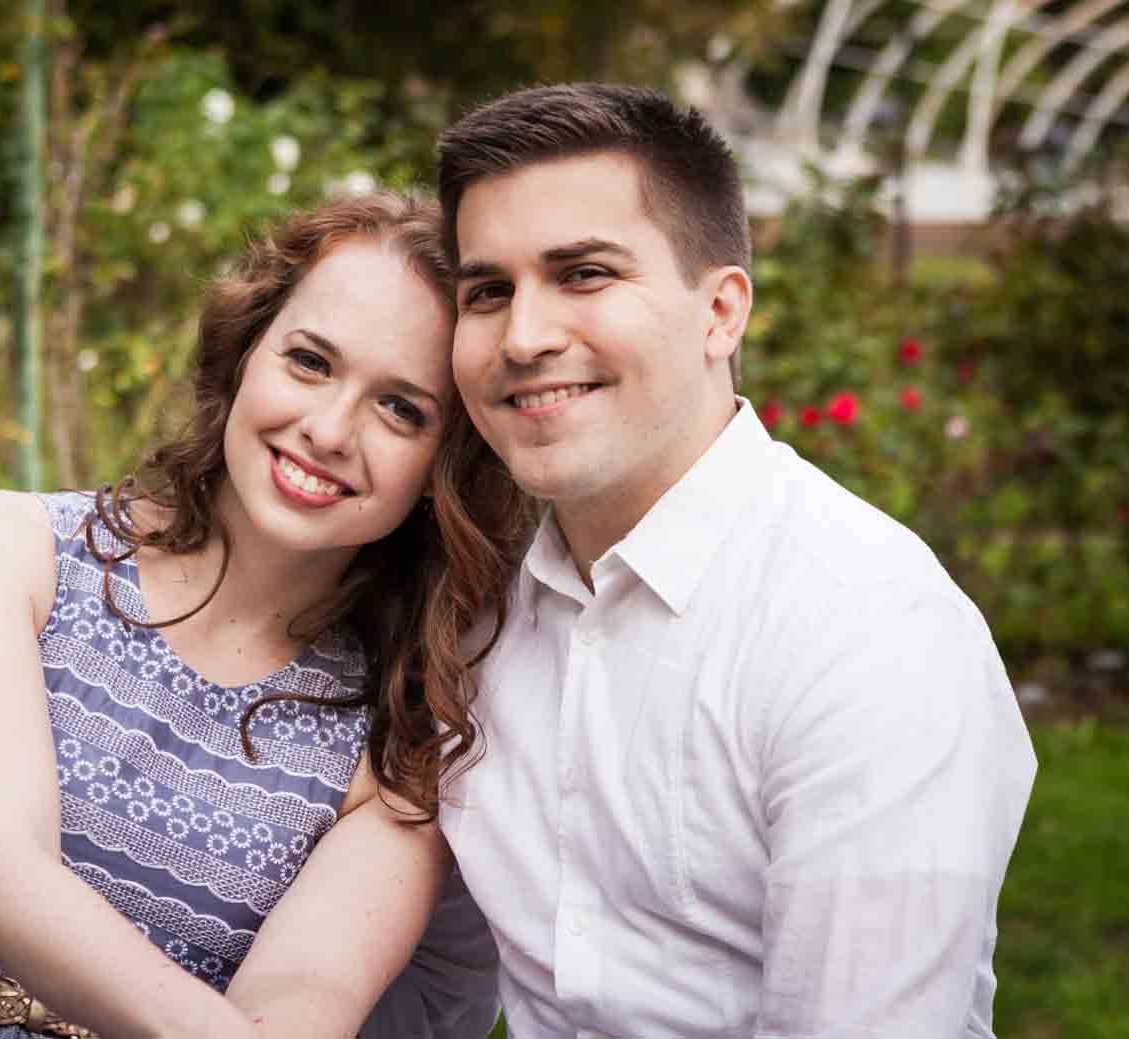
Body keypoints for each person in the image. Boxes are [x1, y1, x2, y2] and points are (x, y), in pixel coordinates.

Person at [0, 192, 529, 1039]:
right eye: (310, 362)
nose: (329, 429)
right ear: (246, 354)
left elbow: (304, 1000)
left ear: (441, 467)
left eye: (401, 408)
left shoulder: (396, 751)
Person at [435, 83, 1037, 1038]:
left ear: (721, 312)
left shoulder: (868, 627)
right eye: (487, 291)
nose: (524, 336)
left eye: (585, 273)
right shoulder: (471, 614)